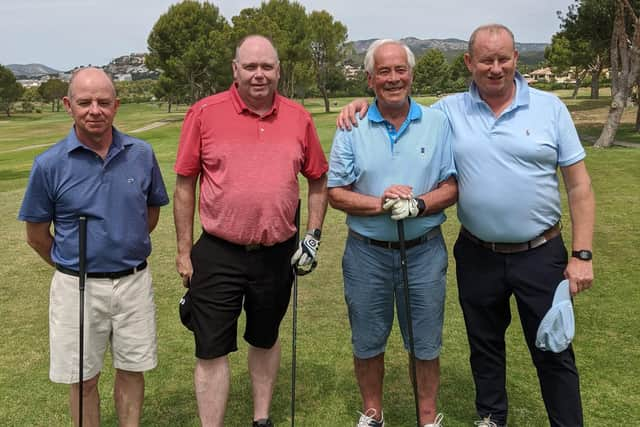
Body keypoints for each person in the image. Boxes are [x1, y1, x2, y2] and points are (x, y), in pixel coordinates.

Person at [337, 24, 595, 427]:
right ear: (469, 63)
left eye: (504, 58)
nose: (496, 68)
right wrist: (359, 103)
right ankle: (491, 418)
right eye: (486, 60)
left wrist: (582, 255)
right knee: (485, 345)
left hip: (541, 252)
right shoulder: (448, 112)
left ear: (515, 59)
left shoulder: (550, 108)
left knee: (553, 348)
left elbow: (579, 187)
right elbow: (395, 103)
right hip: (478, 253)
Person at [173, 35, 328, 427]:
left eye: (267, 67)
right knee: (210, 348)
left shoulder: (298, 116)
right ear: (235, 70)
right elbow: (184, 185)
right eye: (251, 66)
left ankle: (262, 419)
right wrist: (181, 250)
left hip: (277, 251)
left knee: (265, 336)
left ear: (278, 71)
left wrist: (313, 235)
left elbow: (318, 181)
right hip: (218, 249)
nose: (259, 75)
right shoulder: (204, 113)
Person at [18, 67, 169, 427]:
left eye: (103, 102)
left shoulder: (141, 154)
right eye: (85, 102)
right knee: (83, 378)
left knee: (132, 369)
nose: (94, 110)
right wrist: (70, 263)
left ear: (117, 105)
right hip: (77, 286)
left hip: (133, 282)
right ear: (68, 105)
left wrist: (120, 244)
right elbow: (37, 235)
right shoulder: (49, 165)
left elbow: (149, 213)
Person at [328, 39, 457, 427]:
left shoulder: (437, 122)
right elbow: (336, 192)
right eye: (383, 71)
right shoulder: (353, 124)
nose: (393, 78)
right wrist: (381, 203)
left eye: (400, 69)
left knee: (425, 342)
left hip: (423, 250)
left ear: (411, 74)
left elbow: (452, 185)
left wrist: (419, 204)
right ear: (370, 79)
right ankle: (373, 415)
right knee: (367, 341)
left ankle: (428, 418)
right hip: (367, 253)